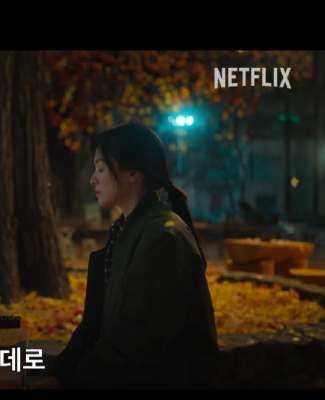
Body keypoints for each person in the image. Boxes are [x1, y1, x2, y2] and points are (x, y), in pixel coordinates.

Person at [30, 122, 219, 389]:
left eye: (101, 168)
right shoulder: (126, 233)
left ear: (133, 172)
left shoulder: (162, 238)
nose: (93, 179)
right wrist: (60, 376)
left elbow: (134, 343)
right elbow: (97, 325)